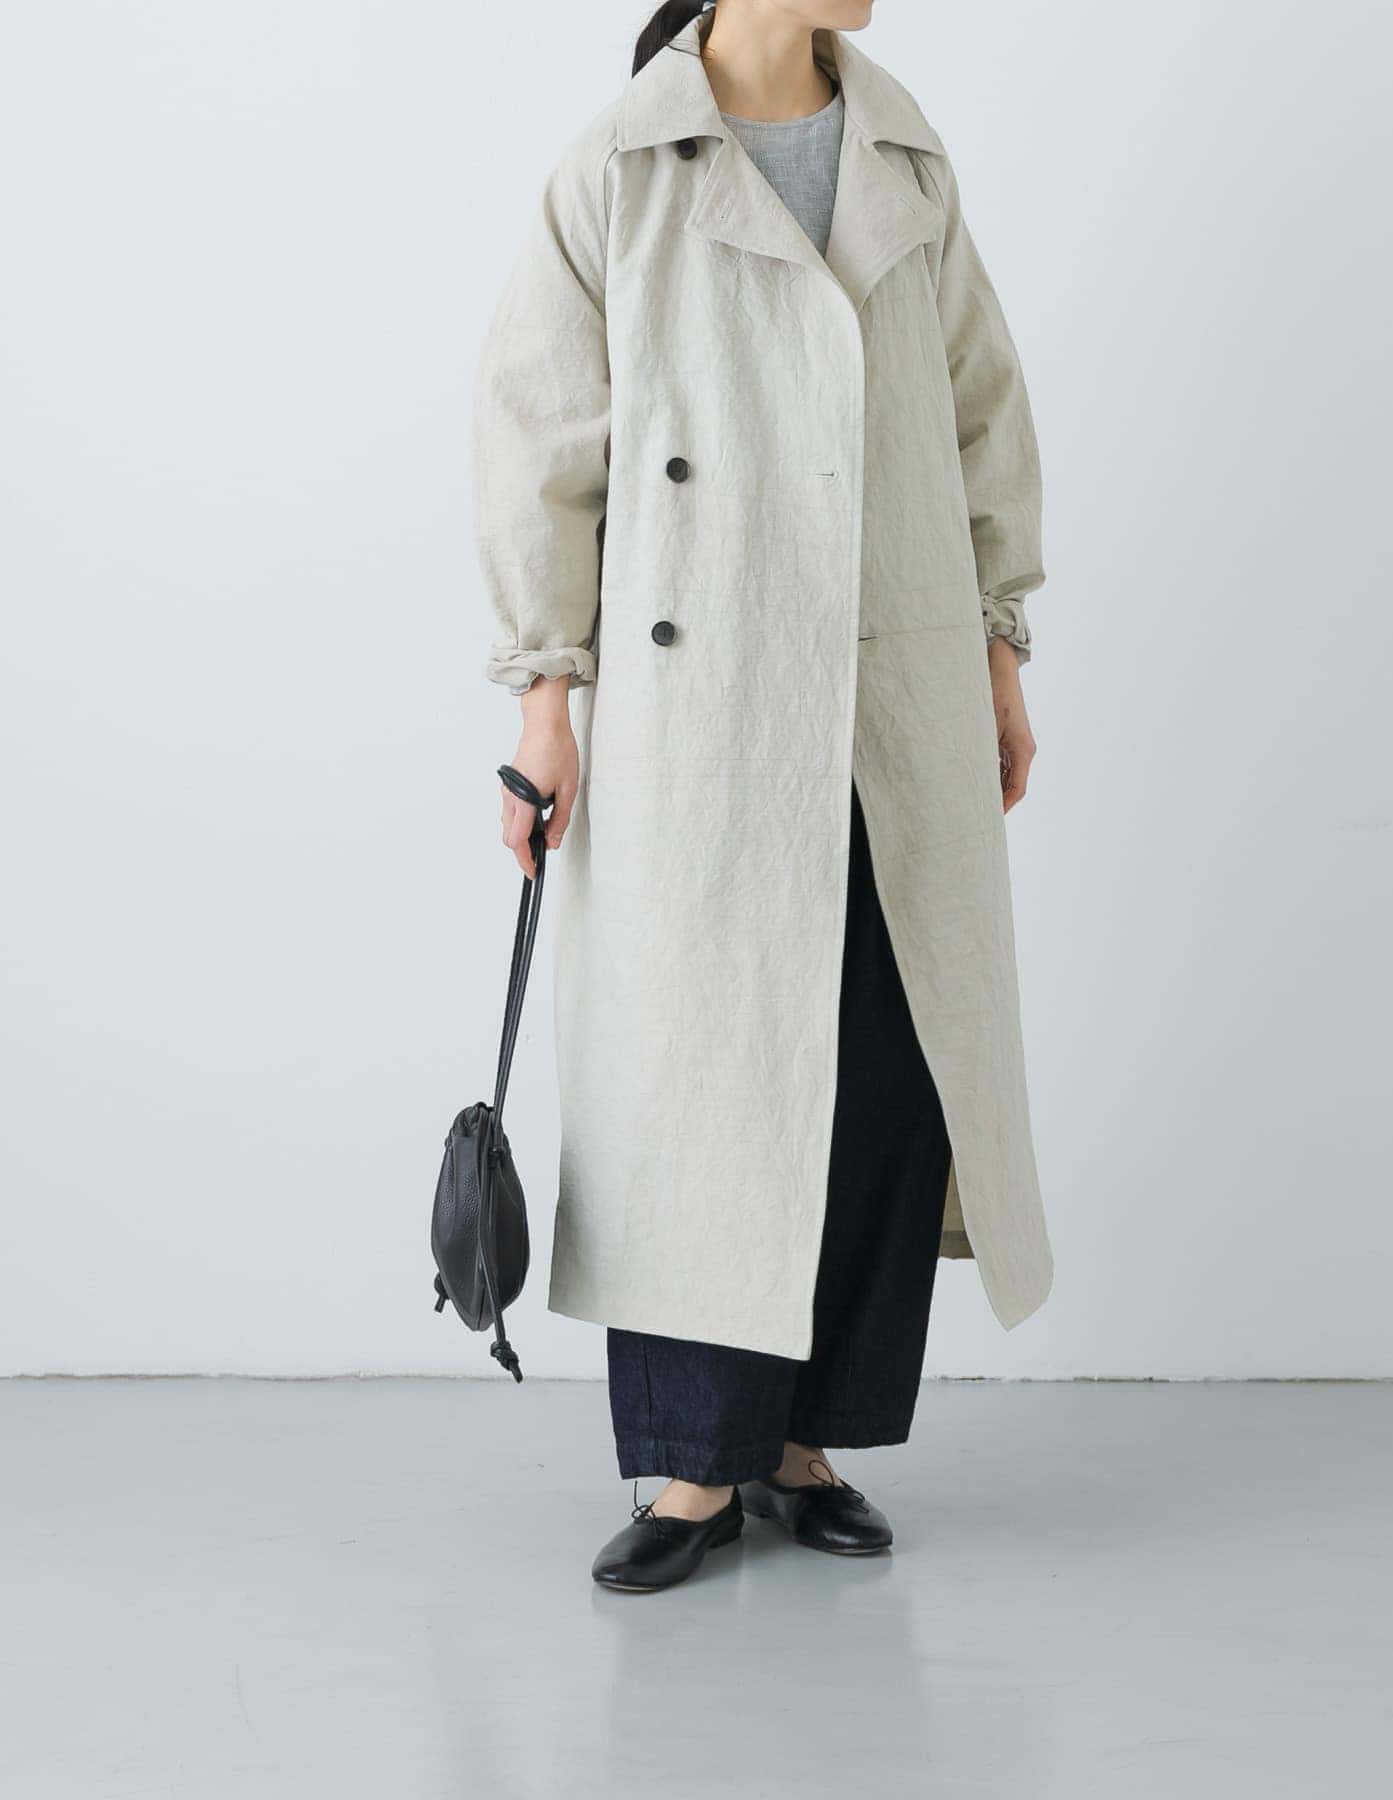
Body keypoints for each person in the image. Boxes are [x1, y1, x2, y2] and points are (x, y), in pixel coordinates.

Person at [473, 0, 1053, 1592]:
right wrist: (545, 700)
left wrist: (999, 648)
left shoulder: (902, 153)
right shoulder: (622, 165)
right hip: (709, 696)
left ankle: (808, 1441)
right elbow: (541, 442)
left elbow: (980, 403)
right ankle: (692, 1464)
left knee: (877, 1061)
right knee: (703, 1081)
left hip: (891, 678)